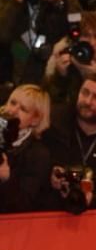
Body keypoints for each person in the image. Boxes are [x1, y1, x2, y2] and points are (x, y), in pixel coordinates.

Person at [0, 0, 81, 86]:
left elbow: (79, 25)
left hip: (56, 69)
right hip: (20, 71)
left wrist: (57, 2)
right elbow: (3, 35)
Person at [44, 73, 96, 211]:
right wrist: (50, 174)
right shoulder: (53, 123)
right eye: (85, 93)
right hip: (51, 208)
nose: (88, 101)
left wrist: (93, 198)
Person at [44, 11, 96, 105]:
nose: (92, 42)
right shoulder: (63, 59)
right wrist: (60, 76)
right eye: (86, 36)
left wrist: (95, 78)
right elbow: (48, 102)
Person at [0, 84, 51, 212]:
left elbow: (23, 203)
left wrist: (6, 179)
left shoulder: (38, 154)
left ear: (35, 119)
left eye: (23, 109)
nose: (13, 110)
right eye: (12, 103)